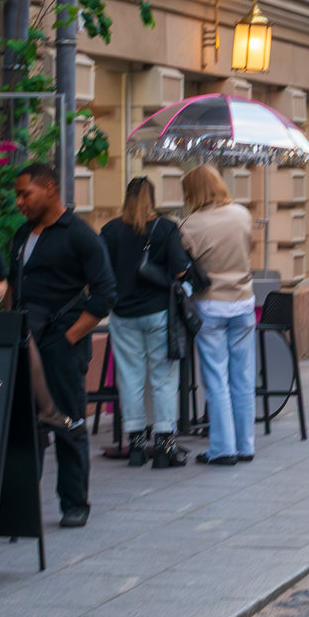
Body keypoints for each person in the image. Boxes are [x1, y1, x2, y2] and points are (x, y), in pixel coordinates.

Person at [8, 163, 117, 527]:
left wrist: (68, 338)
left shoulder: (80, 236)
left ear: (50, 189)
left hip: (62, 347)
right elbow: (14, 289)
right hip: (25, 345)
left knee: (68, 423)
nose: (19, 201)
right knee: (25, 427)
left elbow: (105, 295)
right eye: (17, 195)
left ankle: (74, 504)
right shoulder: (22, 235)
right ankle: (22, 507)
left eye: (26, 193)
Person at [100, 177, 191, 467]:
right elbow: (179, 271)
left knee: (130, 379)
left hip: (122, 315)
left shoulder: (110, 231)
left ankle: (136, 444)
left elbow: (100, 273)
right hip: (158, 313)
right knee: (164, 379)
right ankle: (165, 445)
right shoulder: (165, 228)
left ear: (127, 198)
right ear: (152, 198)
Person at [179, 165, 256, 466]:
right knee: (243, 376)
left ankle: (223, 448)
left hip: (210, 304)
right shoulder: (242, 214)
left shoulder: (190, 224)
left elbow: (186, 265)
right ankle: (246, 444)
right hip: (243, 302)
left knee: (216, 378)